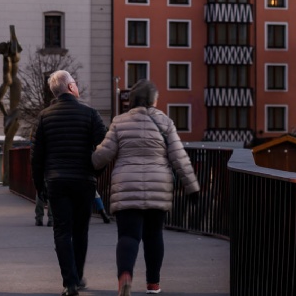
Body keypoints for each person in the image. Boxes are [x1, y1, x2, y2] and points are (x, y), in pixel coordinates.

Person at [92, 80, 200, 296]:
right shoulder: (165, 122)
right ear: (153, 100)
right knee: (153, 235)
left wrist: (91, 162)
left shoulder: (119, 122)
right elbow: (179, 157)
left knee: (128, 236)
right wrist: (192, 187)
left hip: (126, 186)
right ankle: (153, 284)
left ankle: (125, 276)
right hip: (157, 187)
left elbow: (102, 156)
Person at [31, 70, 108, 296]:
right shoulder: (90, 114)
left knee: (62, 230)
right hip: (84, 180)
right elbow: (104, 148)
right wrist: (95, 172)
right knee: (81, 230)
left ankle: (70, 282)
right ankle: (78, 273)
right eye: (75, 83)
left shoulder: (44, 116)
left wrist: (39, 185)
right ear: (71, 87)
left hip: (56, 180)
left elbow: (36, 156)